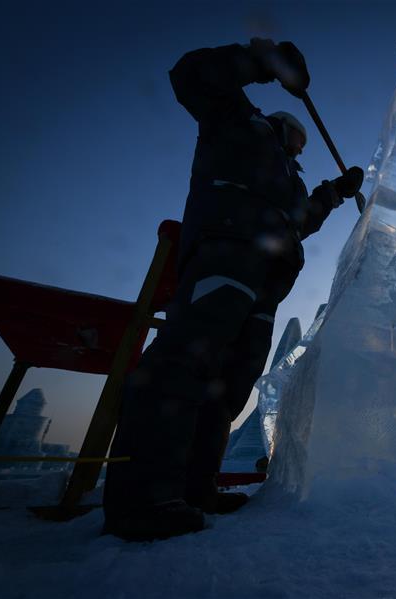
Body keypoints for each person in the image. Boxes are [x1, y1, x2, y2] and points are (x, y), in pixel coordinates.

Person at [103, 38, 364, 541]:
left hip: (268, 278)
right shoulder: (235, 121)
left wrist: (334, 193)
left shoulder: (286, 177)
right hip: (227, 246)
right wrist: (261, 62)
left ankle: (195, 487)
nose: (299, 151)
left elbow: (299, 221)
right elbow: (190, 75)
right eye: (298, 141)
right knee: (185, 359)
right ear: (284, 128)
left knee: (230, 384)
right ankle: (142, 496)